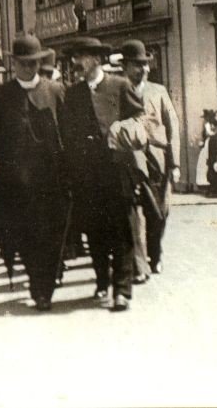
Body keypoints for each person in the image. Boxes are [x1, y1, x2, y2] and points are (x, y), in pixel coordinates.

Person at [0, 33, 68, 312]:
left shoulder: (55, 91)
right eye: (23, 63)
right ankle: (37, 287)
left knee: (52, 237)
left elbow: (68, 132)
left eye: (33, 63)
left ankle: (47, 287)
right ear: (14, 64)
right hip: (15, 183)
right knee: (27, 238)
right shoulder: (2, 95)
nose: (28, 68)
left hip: (51, 181)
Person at [61, 36, 145, 312]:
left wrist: (124, 131)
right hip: (87, 177)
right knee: (95, 232)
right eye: (73, 58)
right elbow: (67, 135)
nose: (75, 63)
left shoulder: (120, 86)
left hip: (118, 171)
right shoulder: (72, 94)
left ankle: (122, 290)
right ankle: (101, 280)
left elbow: (139, 118)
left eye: (80, 57)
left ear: (95, 59)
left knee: (121, 231)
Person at [120, 39, 180, 280]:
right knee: (132, 215)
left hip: (157, 160)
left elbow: (173, 125)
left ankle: (155, 255)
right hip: (129, 160)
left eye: (145, 65)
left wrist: (175, 163)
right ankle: (139, 264)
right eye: (137, 65)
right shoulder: (117, 90)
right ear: (125, 66)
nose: (144, 69)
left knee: (159, 213)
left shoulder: (159, 91)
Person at [195, 109, 217, 190]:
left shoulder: (208, 124)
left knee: (205, 162)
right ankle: (207, 183)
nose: (204, 119)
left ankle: (207, 183)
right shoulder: (212, 124)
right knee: (206, 163)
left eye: (205, 117)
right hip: (209, 143)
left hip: (209, 143)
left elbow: (209, 134)